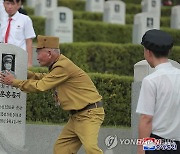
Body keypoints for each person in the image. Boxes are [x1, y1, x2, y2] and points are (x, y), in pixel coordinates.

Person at [0, 35, 105, 154]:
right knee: (61, 150)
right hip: (77, 116)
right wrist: (21, 71)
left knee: (91, 149)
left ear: (49, 53)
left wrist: (13, 82)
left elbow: (40, 86)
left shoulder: (63, 67)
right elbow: (44, 78)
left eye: (38, 52)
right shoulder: (58, 66)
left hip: (88, 114)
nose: (37, 57)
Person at [136, 29, 180, 154]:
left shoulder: (151, 80)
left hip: (157, 143)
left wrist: (141, 148)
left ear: (148, 52)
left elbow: (146, 118)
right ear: (169, 51)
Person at [0, 0, 36, 67]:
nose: (10, 7)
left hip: (19, 56)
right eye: (7, 4)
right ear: (3, 4)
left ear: (18, 5)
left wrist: (29, 62)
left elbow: (29, 41)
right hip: (4, 57)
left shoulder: (25, 19)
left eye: (12, 4)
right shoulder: (3, 20)